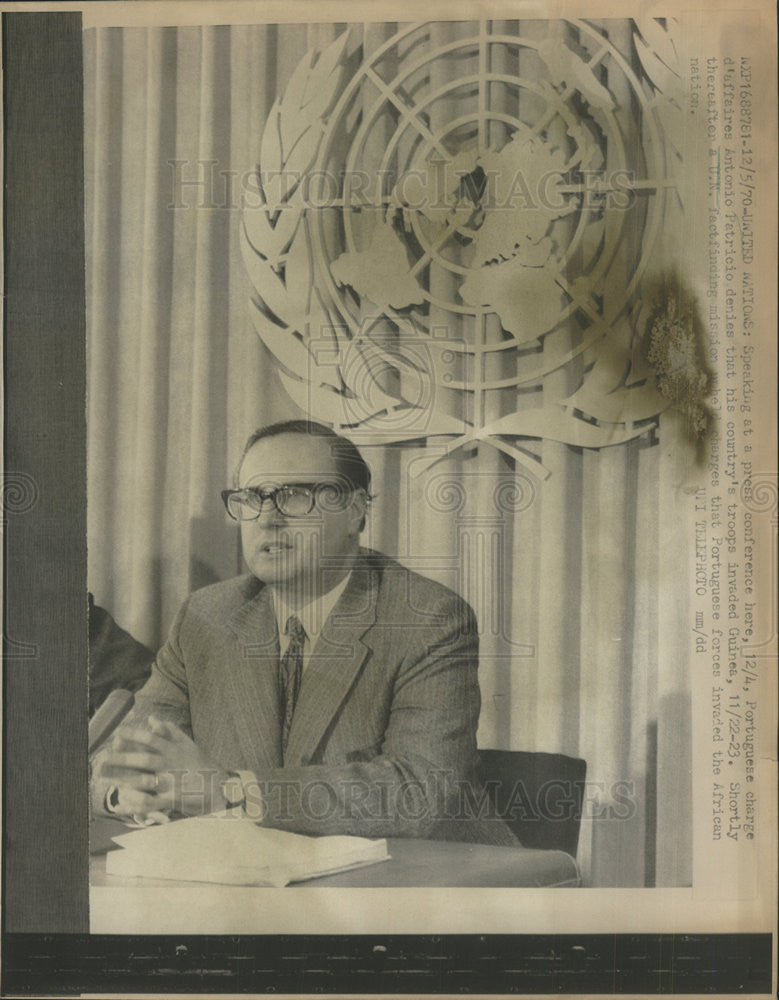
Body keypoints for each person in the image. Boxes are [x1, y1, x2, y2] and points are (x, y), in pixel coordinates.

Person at [91, 420, 517, 845]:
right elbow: (123, 759)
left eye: (295, 496)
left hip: (425, 879)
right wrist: (128, 790)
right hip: (257, 876)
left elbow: (420, 792)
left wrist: (228, 790)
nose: (268, 519)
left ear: (355, 510)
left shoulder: (426, 618)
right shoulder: (206, 616)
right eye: (251, 498)